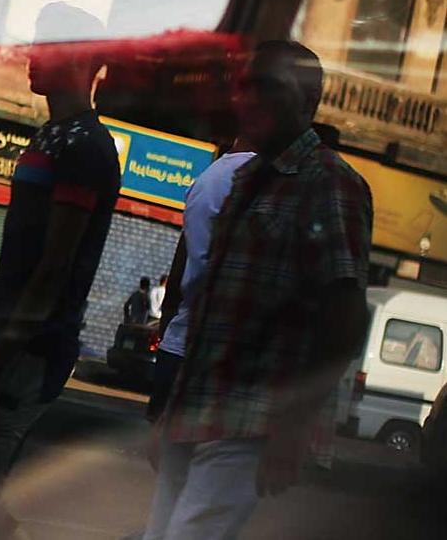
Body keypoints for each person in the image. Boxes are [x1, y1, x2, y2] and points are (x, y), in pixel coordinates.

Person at [143, 41, 373, 540]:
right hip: (200, 408)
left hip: (255, 421)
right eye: (246, 86)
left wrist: (292, 428)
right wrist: (173, 415)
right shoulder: (244, 178)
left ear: (307, 101)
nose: (250, 99)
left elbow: (346, 313)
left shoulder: (330, 184)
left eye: (269, 87)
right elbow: (208, 304)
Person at [0, 2, 120, 538]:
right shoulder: (52, 137)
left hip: (30, 351)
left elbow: (55, 265)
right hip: (10, 339)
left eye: (46, 44)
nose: (31, 55)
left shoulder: (85, 147)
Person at [146, 150, 256, 423]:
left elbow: (179, 270)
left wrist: (170, 333)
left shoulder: (209, 177)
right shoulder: (270, 180)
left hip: (180, 347)